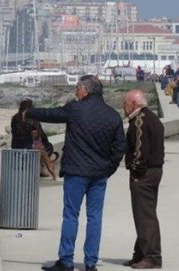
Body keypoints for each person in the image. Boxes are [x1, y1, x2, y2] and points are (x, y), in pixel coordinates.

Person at [25, 75, 126, 271]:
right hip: (99, 174)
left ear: (86, 90)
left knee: (71, 215)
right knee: (95, 217)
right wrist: (109, 169)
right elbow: (120, 146)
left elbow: (51, 114)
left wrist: (29, 112)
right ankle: (90, 263)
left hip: (76, 172)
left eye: (78, 87)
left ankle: (66, 260)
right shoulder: (112, 115)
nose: (75, 91)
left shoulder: (75, 109)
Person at [122, 89, 165, 269]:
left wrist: (135, 170)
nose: (123, 107)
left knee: (145, 215)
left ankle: (152, 256)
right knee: (143, 214)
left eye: (125, 103)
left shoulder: (140, 120)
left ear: (133, 103)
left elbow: (140, 150)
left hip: (145, 174)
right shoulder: (151, 117)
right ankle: (140, 253)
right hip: (154, 171)